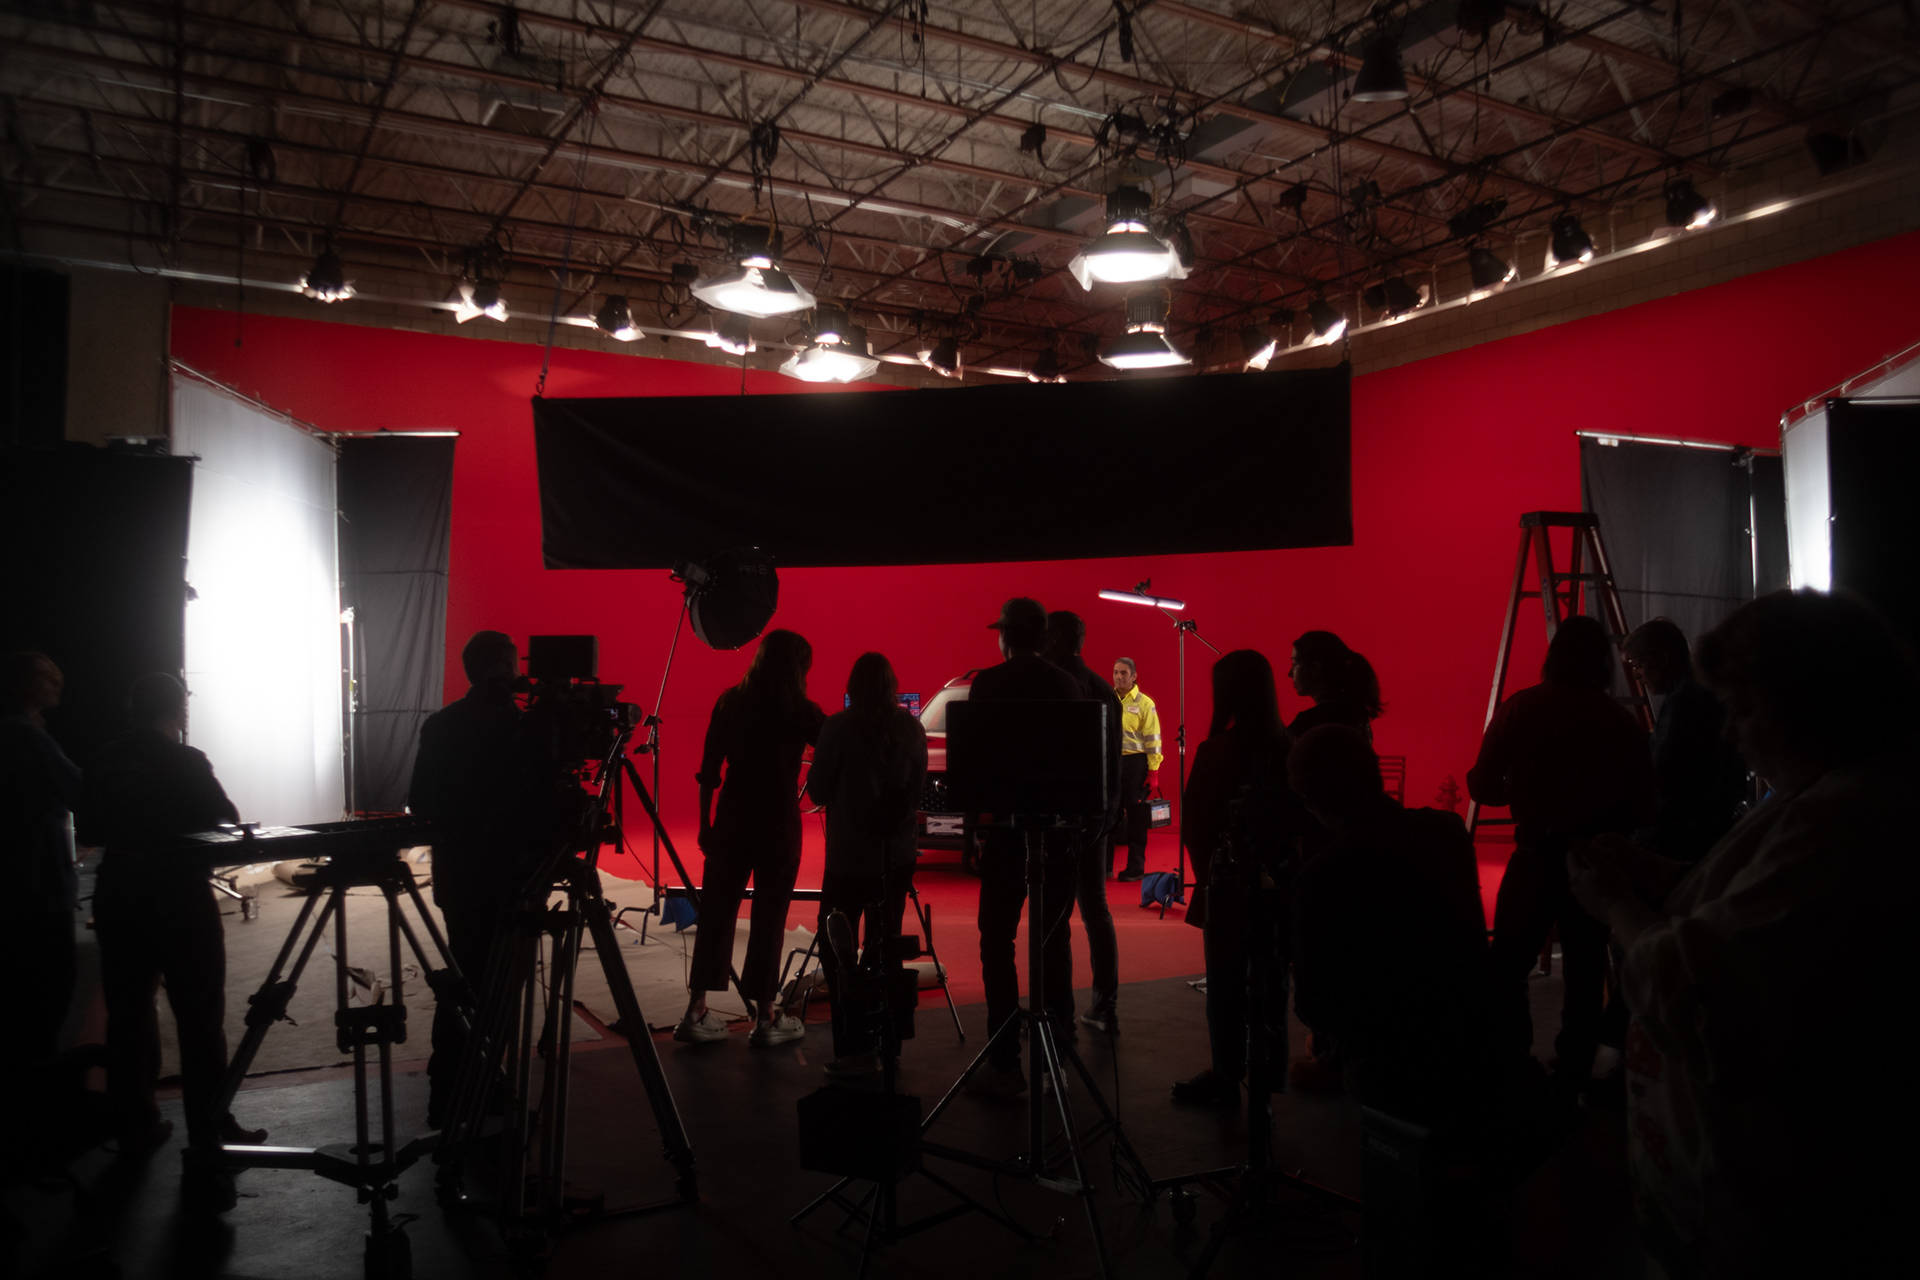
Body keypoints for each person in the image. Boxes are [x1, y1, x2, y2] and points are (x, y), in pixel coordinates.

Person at [1567, 590, 1920, 1277]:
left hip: (1762, 1212)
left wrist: (1615, 904)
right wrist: (1660, 873)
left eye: (1744, 709)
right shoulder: (1829, 790)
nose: (1729, 733)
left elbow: (1698, 988)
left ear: (1809, 704)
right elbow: (1747, 897)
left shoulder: (1842, 818)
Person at [76, 672, 266, 1160]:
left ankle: (134, 1124)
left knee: (128, 1015)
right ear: (180, 711)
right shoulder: (185, 760)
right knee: (200, 1016)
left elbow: (89, 830)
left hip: (119, 894)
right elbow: (225, 816)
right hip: (177, 895)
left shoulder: (100, 761)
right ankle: (209, 1126)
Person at [1468, 615, 1657, 1098]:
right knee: (1585, 969)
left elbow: (1482, 785)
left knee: (1508, 963)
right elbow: (1643, 805)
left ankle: (1513, 1060)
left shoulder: (1521, 708)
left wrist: (1519, 791)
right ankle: (1573, 1070)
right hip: (1594, 861)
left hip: (1536, 854)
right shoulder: (1621, 722)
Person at [1287, 725, 1490, 1123]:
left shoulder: (1321, 876)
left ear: (1310, 802)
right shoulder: (1448, 834)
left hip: (1391, 1069)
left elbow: (1315, 1006)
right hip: (1474, 1041)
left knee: (1308, 1059)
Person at [408, 630, 562, 1129]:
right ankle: (480, 1088)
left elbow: (419, 802)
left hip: (457, 877)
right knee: (499, 988)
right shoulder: (519, 728)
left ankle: (449, 1091)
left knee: (464, 981)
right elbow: (543, 803)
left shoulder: (440, 724)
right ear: (503, 669)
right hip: (508, 877)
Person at [678, 629, 826, 1047]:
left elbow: (710, 770)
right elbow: (835, 748)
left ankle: (696, 1010)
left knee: (716, 913)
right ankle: (766, 1017)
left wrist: (705, 824)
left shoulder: (730, 702)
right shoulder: (801, 710)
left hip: (732, 818)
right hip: (778, 823)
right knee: (769, 918)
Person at [1171, 649, 1303, 1108]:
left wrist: (1210, 878)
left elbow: (1195, 827)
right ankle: (1269, 1078)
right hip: (1282, 888)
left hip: (1228, 889)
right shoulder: (1291, 747)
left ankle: (1227, 1077)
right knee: (1275, 983)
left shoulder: (1216, 751)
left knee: (1226, 986)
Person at [966, 597, 1086, 1096]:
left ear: (1006, 636)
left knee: (997, 940)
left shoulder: (988, 684)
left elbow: (974, 764)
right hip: (1057, 833)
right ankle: (1056, 1058)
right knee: (1052, 940)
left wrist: (973, 830)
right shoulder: (1067, 685)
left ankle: (1003, 1062)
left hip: (1005, 833)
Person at [806, 652, 928, 1078]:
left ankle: (854, 1047)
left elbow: (817, 791)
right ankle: (889, 1044)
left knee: (838, 952)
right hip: (897, 858)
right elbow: (916, 796)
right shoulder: (911, 728)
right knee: (886, 946)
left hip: (848, 859)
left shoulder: (838, 727)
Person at [0, 652, 82, 1071]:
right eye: (45, 676)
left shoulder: (22, 734)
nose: (57, 681)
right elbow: (77, 790)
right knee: (48, 994)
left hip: (20, 883)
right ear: (20, 683)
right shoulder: (25, 736)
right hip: (38, 884)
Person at [1044, 610, 1124, 1035]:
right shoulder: (1105, 689)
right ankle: (1104, 1006)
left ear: (1056, 637)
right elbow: (1115, 760)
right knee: (1097, 910)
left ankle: (1057, 1015)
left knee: (1054, 918)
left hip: (1061, 820)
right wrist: (1108, 815)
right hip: (1096, 818)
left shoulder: (1056, 686)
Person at [1622, 617, 1746, 863]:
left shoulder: (1681, 703)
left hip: (1677, 839)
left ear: (1662, 658)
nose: (1635, 675)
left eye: (1638, 664)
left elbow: (1664, 775)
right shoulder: (1704, 691)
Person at [1110, 656, 1162, 881]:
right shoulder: (1108, 698)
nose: (1118, 677)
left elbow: (1153, 739)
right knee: (1109, 816)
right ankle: (1104, 867)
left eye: (1123, 673)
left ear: (1134, 676)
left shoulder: (1145, 703)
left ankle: (1135, 868)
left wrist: (1153, 771)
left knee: (1136, 818)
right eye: (1115, 672)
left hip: (1135, 765)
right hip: (1111, 763)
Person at [1286, 630, 1384, 741]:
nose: (1290, 673)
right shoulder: (1357, 717)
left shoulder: (1309, 721)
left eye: (1295, 664)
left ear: (1315, 667)